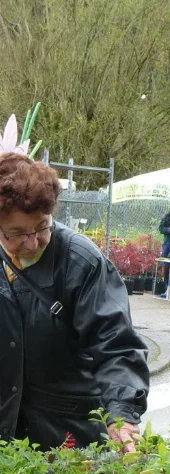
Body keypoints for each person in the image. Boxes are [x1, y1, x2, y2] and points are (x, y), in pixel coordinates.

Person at [0, 153, 149, 451]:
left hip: (66, 432)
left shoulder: (81, 262)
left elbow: (115, 344)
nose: (32, 242)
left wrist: (121, 414)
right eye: (16, 233)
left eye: (42, 227)